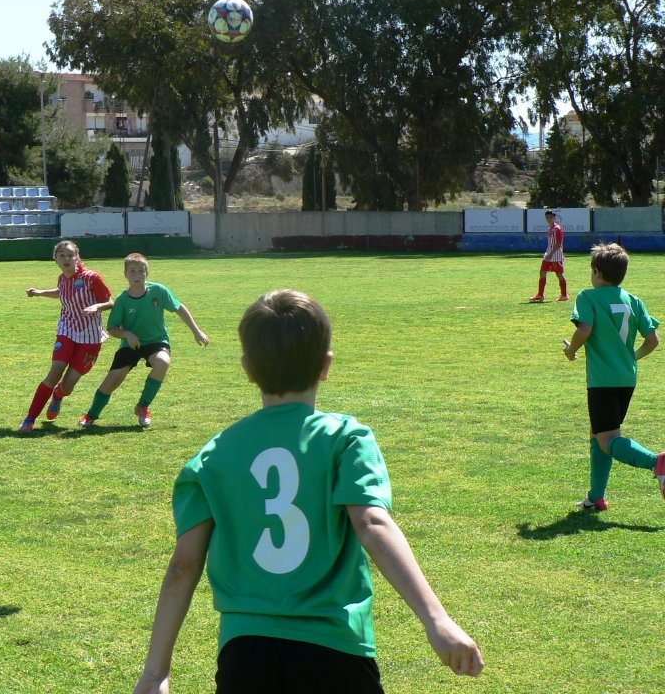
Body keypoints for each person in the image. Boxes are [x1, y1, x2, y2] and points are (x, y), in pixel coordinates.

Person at [131, 290, 485, 694]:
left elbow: (183, 566)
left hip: (246, 653)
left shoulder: (212, 457)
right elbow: (372, 523)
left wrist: (155, 672)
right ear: (326, 365)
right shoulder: (347, 439)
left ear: (248, 369)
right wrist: (436, 621)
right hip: (335, 648)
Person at [563, 243, 665, 511]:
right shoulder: (633, 300)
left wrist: (570, 351)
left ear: (596, 272)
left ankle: (658, 462)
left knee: (607, 439)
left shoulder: (588, 297)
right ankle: (596, 496)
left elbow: (584, 329)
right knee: (599, 434)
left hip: (602, 381)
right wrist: (632, 357)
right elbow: (653, 340)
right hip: (626, 379)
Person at [79, 253, 209, 428]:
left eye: (141, 271)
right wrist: (127, 334)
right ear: (125, 274)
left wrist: (196, 331)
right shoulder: (122, 300)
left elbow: (179, 308)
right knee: (113, 379)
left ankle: (143, 406)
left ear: (147, 273)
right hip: (130, 344)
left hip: (156, 341)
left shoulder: (159, 291)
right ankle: (91, 415)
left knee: (162, 362)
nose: (137, 275)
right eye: (132, 271)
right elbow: (112, 328)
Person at [18, 240, 114, 432]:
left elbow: (110, 301)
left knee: (67, 386)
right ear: (55, 259)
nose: (66, 258)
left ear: (77, 257)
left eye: (70, 254)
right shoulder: (62, 278)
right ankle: (29, 419)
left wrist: (97, 306)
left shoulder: (92, 278)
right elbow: (61, 292)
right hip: (67, 330)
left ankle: (59, 395)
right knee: (55, 372)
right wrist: (39, 293)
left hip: (90, 336)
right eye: (61, 255)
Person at [530, 209, 568, 303]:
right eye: (547, 217)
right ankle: (540, 295)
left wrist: (551, 254)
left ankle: (564, 295)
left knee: (559, 274)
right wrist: (548, 254)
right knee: (542, 272)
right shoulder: (550, 229)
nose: (549, 219)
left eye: (551, 217)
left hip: (556, 255)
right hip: (549, 254)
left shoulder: (557, 229)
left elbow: (559, 243)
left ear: (554, 218)